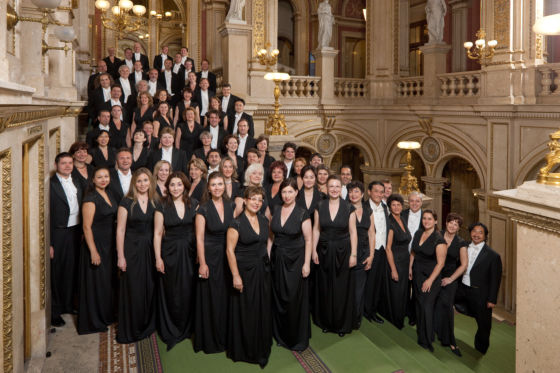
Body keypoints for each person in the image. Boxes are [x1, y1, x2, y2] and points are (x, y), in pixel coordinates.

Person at [226, 186, 271, 367]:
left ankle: (261, 347)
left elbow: (265, 243)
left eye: (259, 200)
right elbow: (229, 251)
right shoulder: (235, 223)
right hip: (244, 272)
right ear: (244, 200)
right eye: (253, 199)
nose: (256, 202)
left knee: (261, 308)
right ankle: (246, 350)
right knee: (246, 309)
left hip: (262, 270)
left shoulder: (263, 219)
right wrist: (236, 276)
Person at [154, 172, 198, 350]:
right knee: (172, 290)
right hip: (170, 252)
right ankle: (172, 328)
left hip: (190, 251)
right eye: (172, 185)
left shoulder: (194, 204)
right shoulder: (162, 205)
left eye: (179, 184)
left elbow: (199, 232)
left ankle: (188, 327)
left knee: (188, 289)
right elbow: (157, 233)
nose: (176, 188)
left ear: (185, 186)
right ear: (167, 187)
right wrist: (158, 258)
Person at [194, 172, 237, 353]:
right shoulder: (202, 209)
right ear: (209, 188)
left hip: (227, 255)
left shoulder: (231, 205)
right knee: (211, 296)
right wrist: (202, 263)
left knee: (227, 296)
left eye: (220, 184)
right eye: (214, 185)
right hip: (210, 256)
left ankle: (226, 336)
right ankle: (211, 339)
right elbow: (199, 238)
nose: (217, 187)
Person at [268, 178, 312, 351]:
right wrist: (268, 256)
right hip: (278, 258)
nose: (287, 195)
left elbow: (308, 240)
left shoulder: (303, 213)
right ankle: (280, 334)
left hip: (296, 260)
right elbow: (272, 236)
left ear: (296, 193)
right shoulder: (276, 209)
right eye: (284, 192)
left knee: (294, 298)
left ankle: (296, 338)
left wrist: (307, 264)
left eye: (290, 192)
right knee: (278, 296)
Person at [312, 175, 357, 336]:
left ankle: (341, 324)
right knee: (325, 286)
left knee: (341, 287)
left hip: (343, 251)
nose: (334, 189)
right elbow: (316, 230)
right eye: (331, 186)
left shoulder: (348, 207)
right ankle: (326, 322)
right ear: (326, 188)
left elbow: (353, 232)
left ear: (341, 188)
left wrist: (353, 254)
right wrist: (313, 250)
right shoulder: (320, 205)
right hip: (323, 250)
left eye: (337, 186)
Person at [116, 168, 157, 343]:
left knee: (149, 287)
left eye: (145, 180)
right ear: (134, 183)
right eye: (139, 181)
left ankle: (146, 324)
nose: (142, 184)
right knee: (133, 288)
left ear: (150, 182)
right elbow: (120, 230)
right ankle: (131, 327)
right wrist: (121, 256)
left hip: (149, 249)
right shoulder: (126, 202)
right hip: (132, 249)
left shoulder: (156, 201)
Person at [77, 167, 118, 334]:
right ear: (93, 180)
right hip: (96, 244)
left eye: (106, 176)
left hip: (109, 244)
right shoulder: (90, 198)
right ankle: (94, 321)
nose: (103, 179)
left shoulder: (109, 193)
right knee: (96, 283)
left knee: (106, 283)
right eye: (99, 177)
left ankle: (105, 315)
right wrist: (93, 251)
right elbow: (86, 227)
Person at [454, 222, 502, 354]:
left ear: (485, 236)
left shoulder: (493, 256)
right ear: (470, 233)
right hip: (461, 288)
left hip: (480, 293)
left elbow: (495, 279)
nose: (476, 234)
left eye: (480, 232)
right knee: (444, 307)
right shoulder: (462, 247)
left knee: (484, 324)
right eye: (474, 231)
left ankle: (480, 350)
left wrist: (491, 299)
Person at [50, 153, 83, 327]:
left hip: (75, 231)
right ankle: (55, 311)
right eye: (64, 163)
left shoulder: (76, 181)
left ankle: (69, 305)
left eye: (70, 163)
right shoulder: (51, 185)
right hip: (58, 233)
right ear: (56, 165)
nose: (68, 166)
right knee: (57, 273)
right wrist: (49, 242)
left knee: (72, 270)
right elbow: (44, 215)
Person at [409, 210, 447, 352]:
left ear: (435, 221)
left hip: (431, 277)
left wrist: (430, 280)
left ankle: (427, 340)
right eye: (424, 218)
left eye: (430, 219)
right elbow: (414, 251)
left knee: (426, 307)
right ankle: (423, 335)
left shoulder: (439, 239)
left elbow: (441, 263)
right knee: (419, 305)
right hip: (417, 274)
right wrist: (410, 267)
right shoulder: (418, 233)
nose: (426, 221)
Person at [434, 213, 468, 356]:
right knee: (433, 304)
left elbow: (464, 265)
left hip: (450, 278)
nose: (452, 225)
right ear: (446, 223)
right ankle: (434, 332)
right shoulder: (437, 235)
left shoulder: (461, 243)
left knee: (447, 307)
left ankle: (450, 340)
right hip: (434, 275)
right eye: (451, 222)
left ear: (458, 228)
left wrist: (450, 279)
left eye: (456, 224)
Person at [380, 194, 411, 329]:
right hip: (395, 261)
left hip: (405, 260)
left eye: (399, 204)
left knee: (403, 291)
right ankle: (395, 320)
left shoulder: (403, 219)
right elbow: (388, 248)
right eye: (393, 205)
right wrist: (393, 269)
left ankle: (401, 314)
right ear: (390, 207)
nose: (396, 207)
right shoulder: (390, 222)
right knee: (396, 292)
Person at [347, 181, 374, 328]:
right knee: (346, 288)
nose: (353, 194)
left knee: (358, 289)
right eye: (351, 191)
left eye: (356, 191)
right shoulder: (344, 208)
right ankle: (345, 317)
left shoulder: (368, 210)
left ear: (362, 194)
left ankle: (356, 319)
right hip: (347, 253)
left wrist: (371, 256)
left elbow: (371, 234)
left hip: (364, 253)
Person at [364, 181, 389, 324]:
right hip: (369, 250)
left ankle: (373, 310)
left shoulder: (385, 208)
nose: (379, 194)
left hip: (382, 250)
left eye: (381, 192)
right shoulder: (364, 207)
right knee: (368, 282)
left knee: (378, 283)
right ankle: (366, 311)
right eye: (376, 191)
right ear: (369, 192)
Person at [401, 191, 423, 326]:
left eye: (417, 201)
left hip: (420, 258)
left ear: (421, 203)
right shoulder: (402, 215)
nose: (414, 203)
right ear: (408, 202)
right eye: (412, 201)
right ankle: (404, 310)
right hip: (403, 256)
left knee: (416, 287)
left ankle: (414, 315)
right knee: (404, 286)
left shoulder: (427, 216)